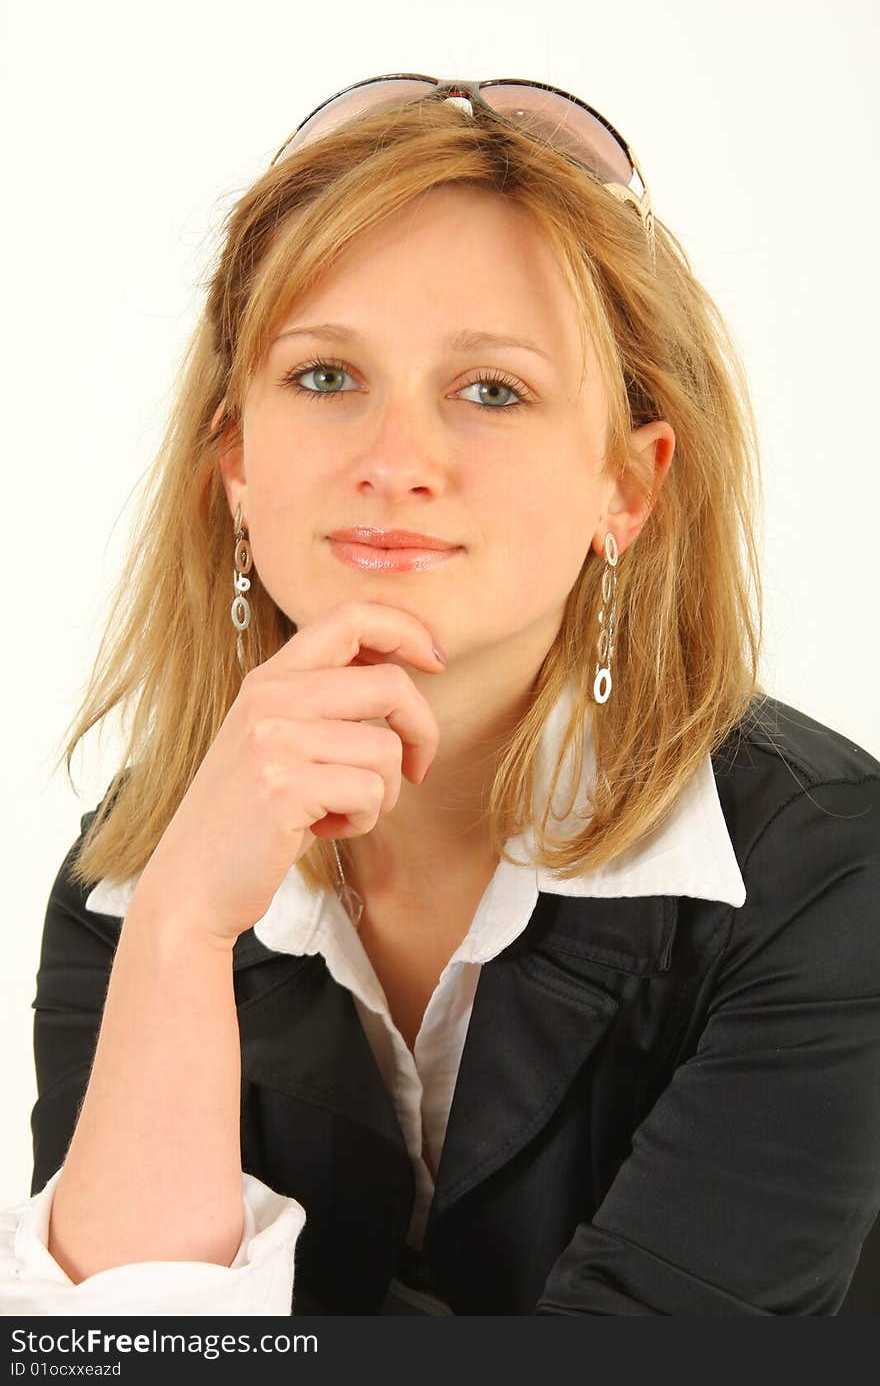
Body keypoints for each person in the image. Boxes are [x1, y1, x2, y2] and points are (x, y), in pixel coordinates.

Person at [2, 74, 879, 1317]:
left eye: (491, 391)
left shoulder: (828, 869)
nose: (394, 463)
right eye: (322, 377)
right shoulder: (142, 872)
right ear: (237, 462)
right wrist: (179, 929)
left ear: (629, 484)